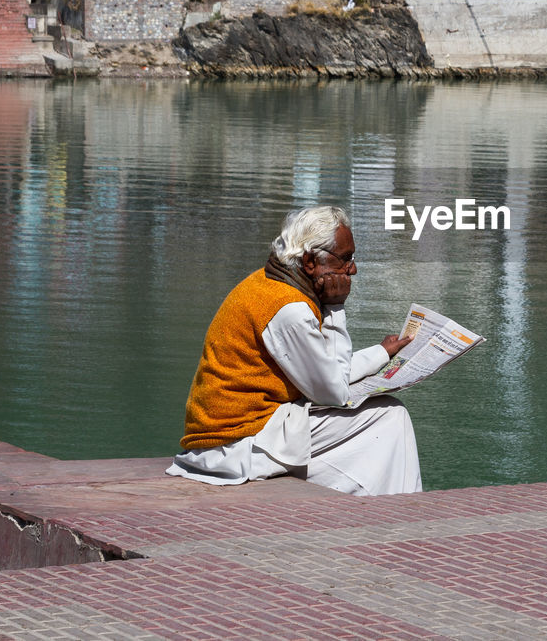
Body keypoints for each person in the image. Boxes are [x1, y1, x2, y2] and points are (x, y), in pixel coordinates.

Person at [166, 205, 422, 495]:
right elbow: (333, 391)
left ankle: (379, 501)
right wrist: (336, 309)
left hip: (233, 436)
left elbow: (325, 370)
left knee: (378, 420)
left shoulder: (266, 284)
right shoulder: (289, 309)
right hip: (236, 444)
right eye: (345, 259)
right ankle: (403, 507)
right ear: (311, 262)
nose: (352, 269)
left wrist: (381, 353)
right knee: (390, 415)